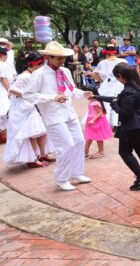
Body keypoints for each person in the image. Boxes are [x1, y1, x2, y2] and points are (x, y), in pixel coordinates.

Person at [23, 41, 93, 191]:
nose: (62, 60)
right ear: (48, 57)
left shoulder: (65, 71)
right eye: (58, 58)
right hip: (53, 115)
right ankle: (61, 178)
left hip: (68, 112)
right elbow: (28, 95)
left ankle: (77, 172)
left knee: (79, 141)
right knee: (65, 145)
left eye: (63, 57)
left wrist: (83, 93)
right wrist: (52, 97)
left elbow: (72, 90)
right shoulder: (39, 74)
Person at [96, 63, 140, 191]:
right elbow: (117, 99)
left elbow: (123, 112)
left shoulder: (129, 91)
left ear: (121, 76)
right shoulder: (137, 86)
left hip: (134, 125)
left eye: (117, 77)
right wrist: (97, 97)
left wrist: (113, 105)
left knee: (125, 152)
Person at [4, 51, 53, 168]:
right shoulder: (25, 76)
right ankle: (33, 158)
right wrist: (27, 94)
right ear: (36, 64)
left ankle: (42, 154)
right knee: (32, 133)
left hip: (30, 107)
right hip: (23, 109)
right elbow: (11, 90)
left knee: (40, 131)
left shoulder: (33, 74)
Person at [92, 44, 127, 127]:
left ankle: (106, 123)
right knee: (120, 102)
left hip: (107, 85)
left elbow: (94, 74)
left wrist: (102, 81)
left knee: (106, 103)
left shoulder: (102, 62)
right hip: (120, 83)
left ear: (106, 51)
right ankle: (117, 123)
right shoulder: (123, 61)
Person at [83, 87, 112, 159]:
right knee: (89, 136)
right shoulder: (91, 101)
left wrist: (93, 120)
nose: (85, 96)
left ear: (92, 93)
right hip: (91, 120)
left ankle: (101, 151)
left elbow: (100, 112)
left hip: (96, 121)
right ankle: (85, 152)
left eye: (87, 94)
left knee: (98, 137)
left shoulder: (95, 102)